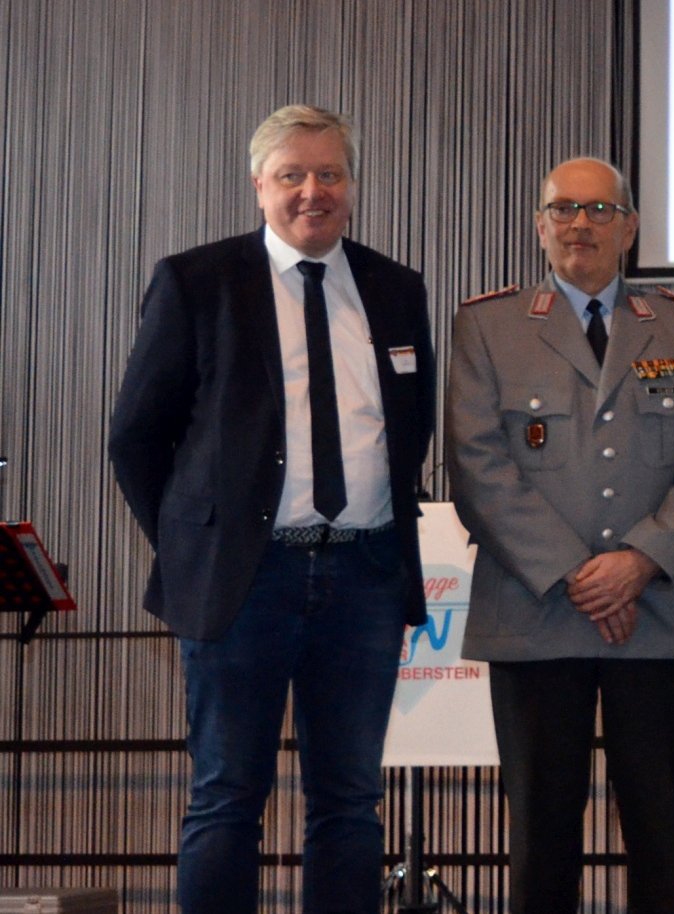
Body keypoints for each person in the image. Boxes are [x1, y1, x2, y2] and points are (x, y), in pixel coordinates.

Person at [107, 104, 435, 912]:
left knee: (351, 803)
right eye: (292, 174)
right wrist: (201, 545)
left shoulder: (396, 288)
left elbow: (412, 423)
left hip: (365, 575)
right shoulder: (198, 281)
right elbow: (137, 437)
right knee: (227, 797)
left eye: (329, 173)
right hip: (243, 581)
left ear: (351, 185)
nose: (312, 191)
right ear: (259, 185)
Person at [445, 156, 674, 913]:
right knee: (542, 843)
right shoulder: (488, 327)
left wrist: (638, 562)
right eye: (563, 209)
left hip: (657, 613)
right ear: (540, 226)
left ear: (630, 228)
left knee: (664, 839)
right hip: (536, 612)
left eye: (600, 210)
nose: (581, 224)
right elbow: (477, 466)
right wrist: (581, 574)